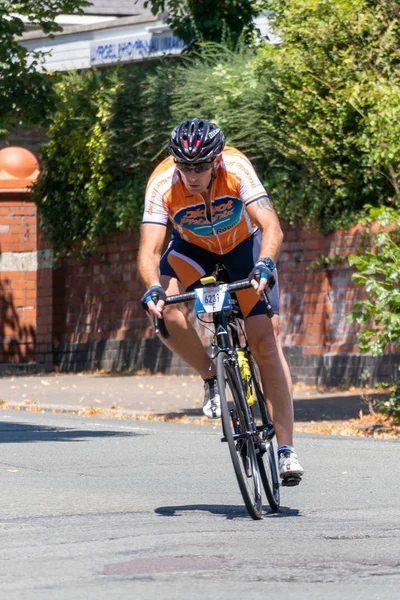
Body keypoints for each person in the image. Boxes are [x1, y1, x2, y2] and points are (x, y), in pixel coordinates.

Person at [138, 118, 304, 486]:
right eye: (185, 166)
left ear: (216, 160)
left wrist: (265, 262)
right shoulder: (162, 184)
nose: (192, 175)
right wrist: (152, 287)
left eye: (199, 166)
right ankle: (211, 375)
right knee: (163, 312)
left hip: (243, 249)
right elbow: (149, 249)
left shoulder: (237, 167)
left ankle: (286, 450)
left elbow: (270, 224)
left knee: (264, 342)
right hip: (191, 251)